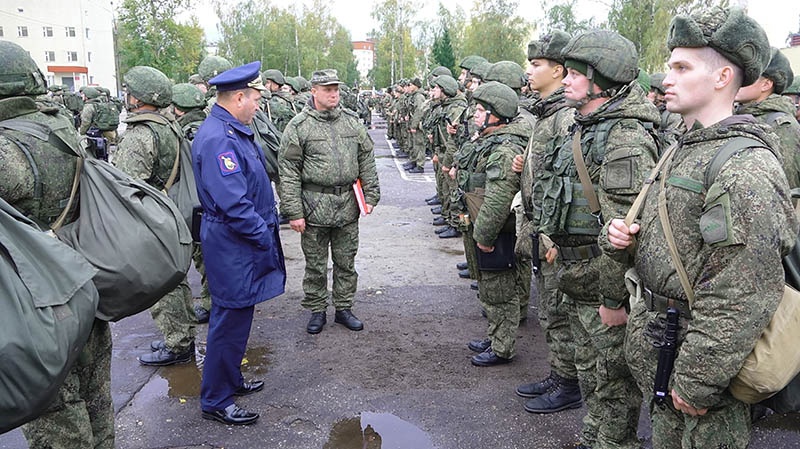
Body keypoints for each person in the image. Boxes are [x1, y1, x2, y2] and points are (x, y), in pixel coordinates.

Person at [603, 7, 798, 448]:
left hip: (697, 369)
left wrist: (696, 380)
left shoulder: (744, 165)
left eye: (681, 66)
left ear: (722, 77)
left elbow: (741, 289)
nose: (666, 76)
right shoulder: (684, 148)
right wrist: (618, 238)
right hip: (665, 351)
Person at [542, 30, 660, 449]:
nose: (566, 79)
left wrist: (613, 300)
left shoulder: (623, 137)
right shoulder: (587, 127)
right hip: (579, 275)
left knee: (612, 384)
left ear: (602, 81)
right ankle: (595, 438)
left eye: (575, 73)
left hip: (603, 283)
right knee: (591, 372)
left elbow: (623, 233)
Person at [0, 40, 115, 449]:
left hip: (38, 302)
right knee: (97, 396)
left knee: (56, 413)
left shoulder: (6, 147)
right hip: (85, 282)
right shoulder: (61, 127)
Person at [192, 61, 286, 425]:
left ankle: (229, 379)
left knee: (238, 318)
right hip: (235, 243)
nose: (259, 105)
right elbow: (234, 203)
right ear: (239, 97)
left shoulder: (231, 130)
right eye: (256, 99)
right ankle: (216, 398)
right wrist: (262, 235)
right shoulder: (219, 138)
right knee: (228, 321)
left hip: (239, 242)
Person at [512, 30, 582, 415]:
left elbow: (569, 179)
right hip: (541, 229)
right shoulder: (545, 114)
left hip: (555, 233)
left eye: (536, 64)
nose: (530, 71)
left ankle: (569, 382)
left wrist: (554, 235)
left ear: (558, 70)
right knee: (551, 311)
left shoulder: (564, 116)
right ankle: (560, 373)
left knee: (559, 310)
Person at [279, 69, 380, 334]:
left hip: (347, 204)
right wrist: (294, 212)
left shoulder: (351, 122)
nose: (333, 93)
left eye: (335, 88)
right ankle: (317, 310)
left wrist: (371, 196)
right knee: (315, 264)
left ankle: (344, 308)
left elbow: (367, 159)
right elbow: (288, 171)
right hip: (314, 206)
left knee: (346, 261)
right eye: (327, 89)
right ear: (314, 91)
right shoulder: (299, 126)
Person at [113, 66, 197, 367]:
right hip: (171, 213)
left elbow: (123, 185)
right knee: (177, 279)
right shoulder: (168, 125)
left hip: (152, 219)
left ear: (137, 97)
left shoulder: (141, 134)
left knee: (163, 285)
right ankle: (184, 333)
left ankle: (178, 344)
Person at [459, 81, 532, 367]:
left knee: (499, 291)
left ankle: (502, 347)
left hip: (497, 231)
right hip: (483, 225)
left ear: (497, 115)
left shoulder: (503, 149)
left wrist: (485, 236)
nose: (475, 115)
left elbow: (498, 199)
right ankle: (495, 335)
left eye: (481, 110)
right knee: (490, 289)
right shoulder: (488, 141)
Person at [735, 47, 800, 188]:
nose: (737, 80)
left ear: (766, 84)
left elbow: (786, 187)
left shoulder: (782, 126)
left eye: (747, 76)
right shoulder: (735, 113)